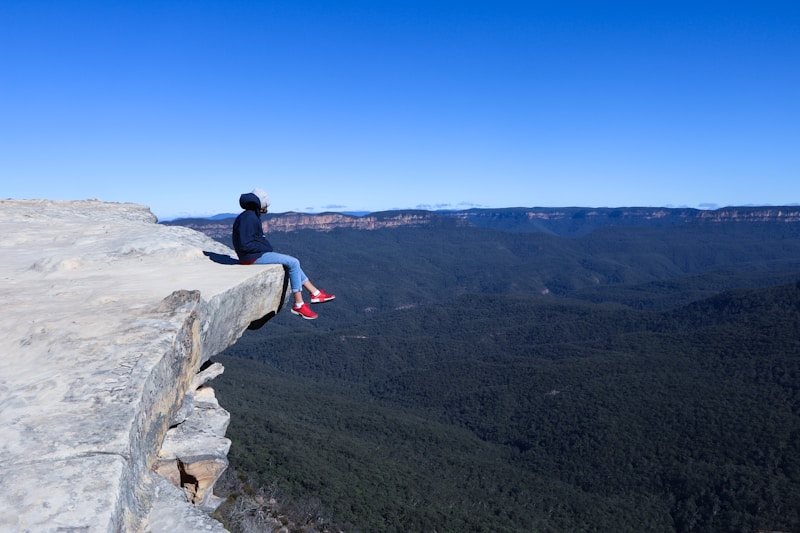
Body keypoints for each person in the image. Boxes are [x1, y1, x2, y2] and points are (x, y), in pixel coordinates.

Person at [232, 188, 335, 320]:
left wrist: (263, 245)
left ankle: (315, 293)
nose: (267, 208)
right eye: (266, 205)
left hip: (255, 254)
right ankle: (299, 304)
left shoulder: (250, 215)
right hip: (251, 257)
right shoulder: (249, 218)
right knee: (293, 262)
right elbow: (244, 244)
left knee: (292, 263)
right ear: (260, 204)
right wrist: (264, 245)